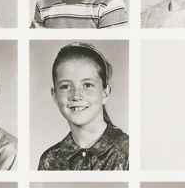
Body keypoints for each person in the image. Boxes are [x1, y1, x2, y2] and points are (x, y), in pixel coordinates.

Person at [38, 43, 129, 171]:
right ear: (55, 96)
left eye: (87, 85)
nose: (76, 95)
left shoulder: (130, 152)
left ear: (105, 93)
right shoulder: (49, 160)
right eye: (66, 86)